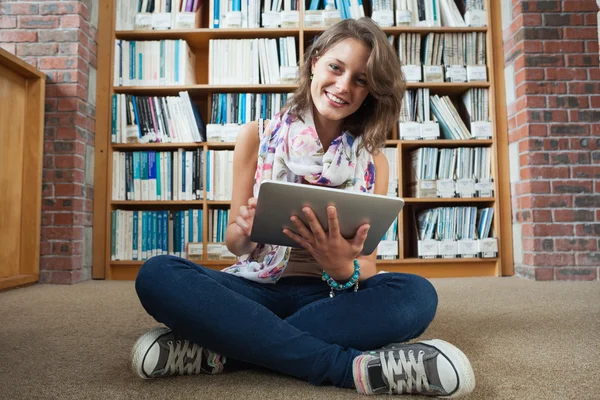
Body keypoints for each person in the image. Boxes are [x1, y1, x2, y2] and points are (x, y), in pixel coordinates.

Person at [132, 17, 475, 397]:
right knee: (159, 273)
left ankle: (227, 346)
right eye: (335, 67)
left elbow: (369, 264)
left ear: (370, 91)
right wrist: (244, 237)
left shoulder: (375, 161)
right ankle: (348, 369)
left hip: (330, 298)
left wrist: (340, 266)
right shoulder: (255, 136)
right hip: (255, 287)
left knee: (416, 295)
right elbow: (233, 240)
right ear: (314, 62)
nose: (343, 86)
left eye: (360, 80)